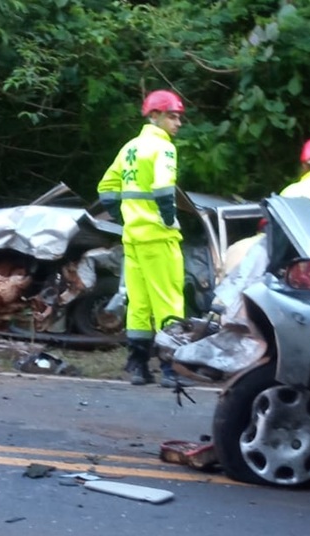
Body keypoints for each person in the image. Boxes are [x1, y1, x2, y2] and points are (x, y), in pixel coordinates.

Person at [97, 89, 191, 388]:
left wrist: (124, 217)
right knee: (169, 302)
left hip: (133, 239)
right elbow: (164, 189)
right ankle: (171, 369)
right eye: (172, 117)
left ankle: (138, 367)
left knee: (138, 304)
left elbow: (106, 188)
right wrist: (168, 218)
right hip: (159, 238)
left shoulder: (130, 148)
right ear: (155, 116)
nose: (178, 123)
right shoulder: (164, 148)